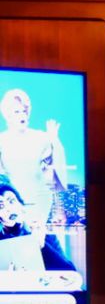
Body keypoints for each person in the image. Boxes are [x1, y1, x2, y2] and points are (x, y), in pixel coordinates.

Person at [0, 88, 68, 227]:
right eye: (17, 111)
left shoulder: (41, 138)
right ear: (7, 115)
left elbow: (53, 173)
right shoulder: (1, 140)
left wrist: (54, 140)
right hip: (13, 201)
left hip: (39, 198)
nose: (22, 115)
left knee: (37, 241)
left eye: (24, 111)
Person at [0, 178, 74, 270]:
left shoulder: (43, 234)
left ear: (21, 205)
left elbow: (69, 271)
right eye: (1, 206)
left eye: (11, 201)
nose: (8, 208)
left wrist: (42, 246)